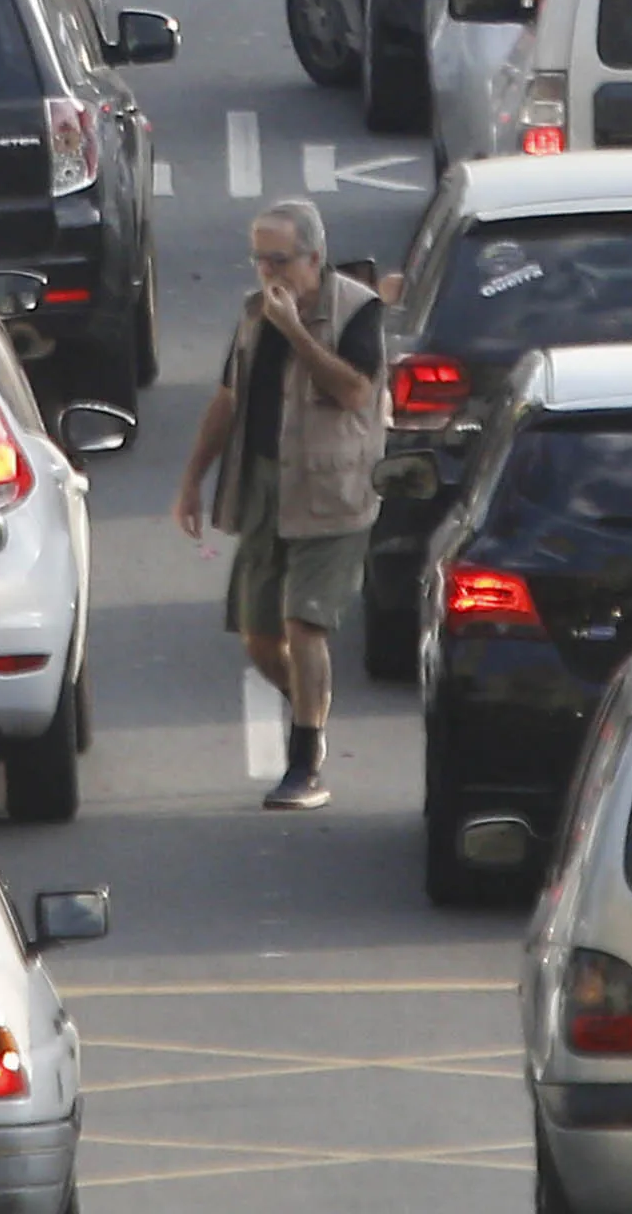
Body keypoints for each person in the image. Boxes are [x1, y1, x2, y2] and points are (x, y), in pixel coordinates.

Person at [172, 198, 387, 810]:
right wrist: (192, 479)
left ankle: (305, 762)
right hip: (267, 485)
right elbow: (228, 398)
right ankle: (308, 709)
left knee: (305, 622)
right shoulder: (253, 314)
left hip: (333, 493)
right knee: (260, 635)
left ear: (314, 258)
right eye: (259, 259)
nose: (269, 272)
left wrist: (295, 330)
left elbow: (354, 391)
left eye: (281, 259)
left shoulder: (356, 311)